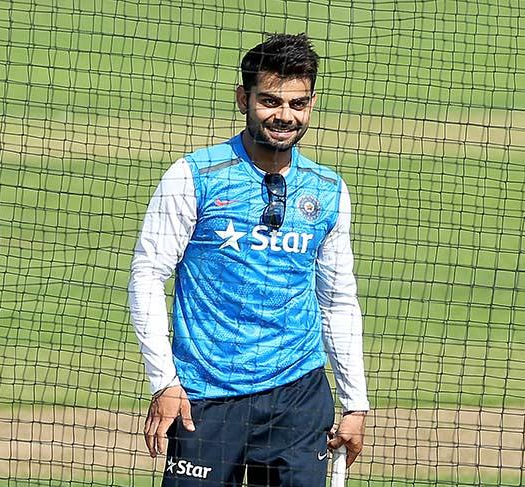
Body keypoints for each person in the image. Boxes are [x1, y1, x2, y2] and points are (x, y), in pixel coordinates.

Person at [128, 33, 369, 486]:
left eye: (298, 104)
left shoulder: (327, 189)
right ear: (244, 99)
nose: (284, 116)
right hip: (205, 398)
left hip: (298, 397)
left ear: (312, 104)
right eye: (270, 101)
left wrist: (356, 402)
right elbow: (147, 276)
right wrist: (164, 381)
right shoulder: (194, 176)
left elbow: (338, 301)